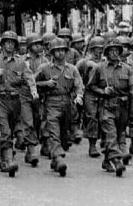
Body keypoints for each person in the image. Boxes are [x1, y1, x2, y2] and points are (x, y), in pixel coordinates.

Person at [0, 31, 38, 178]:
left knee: (12, 131)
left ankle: (2, 158)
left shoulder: (21, 62)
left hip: (15, 100)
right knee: (5, 130)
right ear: (2, 44)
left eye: (12, 43)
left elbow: (29, 77)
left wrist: (33, 90)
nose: (9, 45)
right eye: (7, 42)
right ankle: (9, 159)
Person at [35, 38, 83, 177]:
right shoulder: (44, 68)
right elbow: (31, 81)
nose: (61, 53)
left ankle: (55, 159)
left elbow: (79, 84)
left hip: (67, 103)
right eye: (57, 51)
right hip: (51, 103)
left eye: (63, 50)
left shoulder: (72, 69)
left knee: (63, 135)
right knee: (54, 132)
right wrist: (45, 84)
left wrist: (79, 95)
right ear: (52, 53)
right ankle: (58, 157)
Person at [86, 37, 133, 176]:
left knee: (120, 134)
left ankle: (107, 160)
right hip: (106, 105)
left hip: (122, 106)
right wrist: (103, 91)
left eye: (116, 50)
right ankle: (117, 161)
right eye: (111, 51)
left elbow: (131, 89)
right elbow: (90, 86)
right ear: (106, 53)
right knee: (110, 133)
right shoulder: (99, 68)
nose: (114, 53)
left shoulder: (128, 69)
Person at [77, 36, 105, 158]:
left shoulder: (106, 61)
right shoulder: (84, 62)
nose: (98, 51)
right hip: (89, 92)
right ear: (92, 49)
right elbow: (76, 74)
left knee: (104, 117)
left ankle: (105, 142)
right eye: (96, 48)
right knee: (91, 117)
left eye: (101, 48)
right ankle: (92, 145)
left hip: (104, 93)